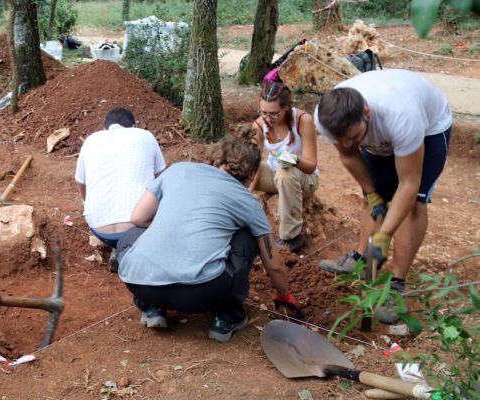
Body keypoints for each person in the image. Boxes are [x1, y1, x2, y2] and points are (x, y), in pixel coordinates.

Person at [116, 129, 301, 342]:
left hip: (140, 283)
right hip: (201, 293)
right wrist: (284, 295)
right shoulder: (246, 200)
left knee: (132, 235)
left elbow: (138, 218)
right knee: (247, 237)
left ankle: (152, 308)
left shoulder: (178, 170)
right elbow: (274, 263)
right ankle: (226, 316)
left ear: (217, 158)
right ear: (252, 175)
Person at [314, 69, 452, 323]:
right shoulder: (325, 118)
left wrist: (383, 236)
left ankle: (396, 284)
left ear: (366, 112)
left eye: (353, 137)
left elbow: (409, 184)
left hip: (429, 129)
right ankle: (359, 259)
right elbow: (348, 155)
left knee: (415, 203)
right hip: (381, 133)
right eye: (341, 139)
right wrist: (372, 193)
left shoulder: (401, 115)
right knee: (373, 197)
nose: (347, 143)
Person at [75, 107, 166, 271]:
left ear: (105, 128)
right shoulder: (145, 136)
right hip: (137, 227)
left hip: (98, 229)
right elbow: (162, 179)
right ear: (133, 126)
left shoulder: (91, 140)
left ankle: (119, 248)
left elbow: (80, 182)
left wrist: (86, 202)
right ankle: (131, 252)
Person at [250, 81, 319, 251]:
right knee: (237, 169)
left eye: (274, 114)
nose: (267, 118)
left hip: (304, 177)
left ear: (288, 107)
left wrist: (293, 159)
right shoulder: (259, 125)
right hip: (276, 175)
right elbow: (255, 164)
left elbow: (311, 166)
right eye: (263, 112)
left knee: (284, 173)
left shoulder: (303, 120)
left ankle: (292, 236)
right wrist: (249, 189)